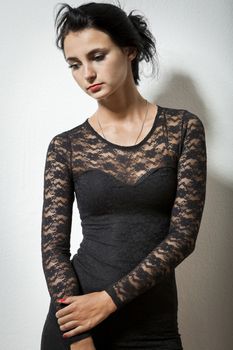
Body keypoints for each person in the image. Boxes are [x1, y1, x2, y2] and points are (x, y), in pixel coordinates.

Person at [40, 2, 207, 350]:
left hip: (152, 328)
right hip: (78, 324)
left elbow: (182, 238)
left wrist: (108, 301)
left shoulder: (182, 129)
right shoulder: (66, 146)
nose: (87, 74)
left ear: (129, 51)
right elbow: (53, 250)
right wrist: (78, 332)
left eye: (97, 56)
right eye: (74, 64)